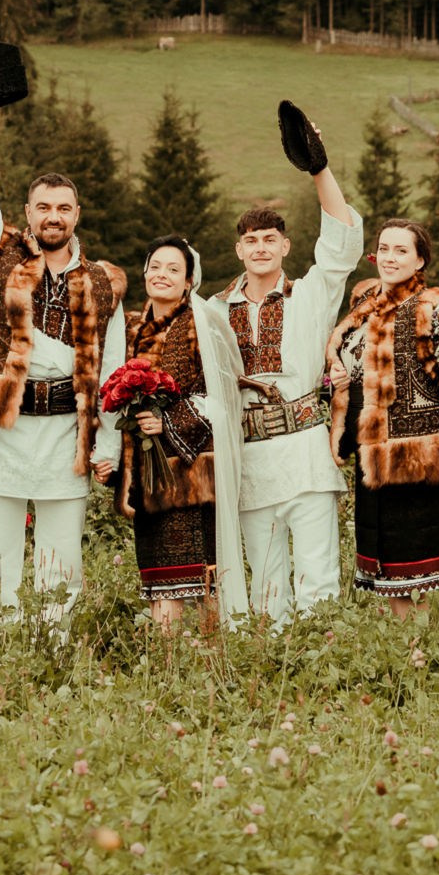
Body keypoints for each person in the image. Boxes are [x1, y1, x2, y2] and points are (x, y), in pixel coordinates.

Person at [0, 62, 126, 624]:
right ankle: (1, 653)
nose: (53, 217)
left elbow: (114, 370)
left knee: (61, 565)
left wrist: (107, 443)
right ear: (28, 213)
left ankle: (55, 653)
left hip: (66, 436)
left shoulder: (102, 282)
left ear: (77, 215)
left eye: (63, 208)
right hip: (2, 431)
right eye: (43, 207)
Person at [211, 161, 362, 622]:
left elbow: (340, 245)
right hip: (250, 458)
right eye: (252, 240)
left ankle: (321, 657)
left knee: (318, 578)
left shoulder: (311, 294)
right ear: (239, 250)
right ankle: (270, 660)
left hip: (305, 451)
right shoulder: (215, 311)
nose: (260, 248)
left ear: (285, 246)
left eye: (269, 239)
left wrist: (320, 170)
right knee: (266, 584)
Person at [325, 219, 439, 618]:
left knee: (411, 562)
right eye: (384, 249)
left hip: (409, 453)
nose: (389, 257)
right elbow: (352, 365)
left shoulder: (431, 307)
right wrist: (339, 375)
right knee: (382, 560)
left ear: (420, 260)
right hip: (369, 447)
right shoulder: (365, 305)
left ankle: (416, 644)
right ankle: (398, 645)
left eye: (401, 250)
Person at [113, 236, 248, 630]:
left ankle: (212, 655)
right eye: (155, 267)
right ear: (144, 273)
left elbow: (223, 394)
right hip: (148, 475)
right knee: (160, 579)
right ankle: (167, 658)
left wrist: (169, 420)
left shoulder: (202, 324)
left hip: (193, 474)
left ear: (189, 280)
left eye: (174, 269)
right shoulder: (130, 328)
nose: (162, 275)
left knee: (204, 580)